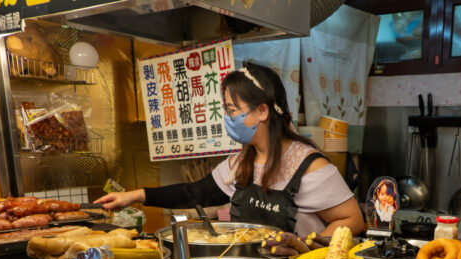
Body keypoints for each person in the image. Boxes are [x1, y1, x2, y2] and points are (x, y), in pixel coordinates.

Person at [96, 64, 365, 236]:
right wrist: (134, 196)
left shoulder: (310, 167)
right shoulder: (241, 162)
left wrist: (309, 251)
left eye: (232, 110)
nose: (227, 117)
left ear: (262, 111)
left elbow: (353, 219)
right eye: (227, 110)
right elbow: (196, 192)